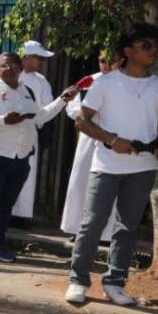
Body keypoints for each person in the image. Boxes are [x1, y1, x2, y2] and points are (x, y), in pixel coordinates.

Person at [65, 24, 158, 306]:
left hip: (143, 166)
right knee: (92, 223)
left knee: (127, 227)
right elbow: (82, 121)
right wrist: (113, 140)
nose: (153, 51)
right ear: (128, 51)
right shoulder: (105, 83)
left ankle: (115, 282)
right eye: (146, 45)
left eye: (156, 46)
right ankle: (78, 280)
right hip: (106, 164)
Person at [0, 52, 76, 264]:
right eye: (4, 65)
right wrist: (2, 120)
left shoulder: (28, 92)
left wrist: (63, 100)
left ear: (20, 68)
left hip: (20, 158)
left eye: (13, 65)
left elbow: (41, 116)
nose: (9, 68)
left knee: (6, 205)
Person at [0, 40, 62, 219]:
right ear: (27, 58)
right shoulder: (0, 76)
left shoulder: (42, 81)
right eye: (39, 58)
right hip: (2, 132)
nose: (42, 63)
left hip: (27, 134)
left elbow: (45, 108)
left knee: (22, 176)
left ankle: (19, 215)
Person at [60, 50, 122, 240]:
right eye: (102, 61)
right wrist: (90, 111)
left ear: (120, 61)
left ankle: (107, 233)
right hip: (89, 137)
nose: (105, 65)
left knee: (111, 185)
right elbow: (72, 108)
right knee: (83, 182)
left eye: (109, 61)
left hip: (113, 139)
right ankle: (78, 228)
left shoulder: (126, 83)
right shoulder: (89, 81)